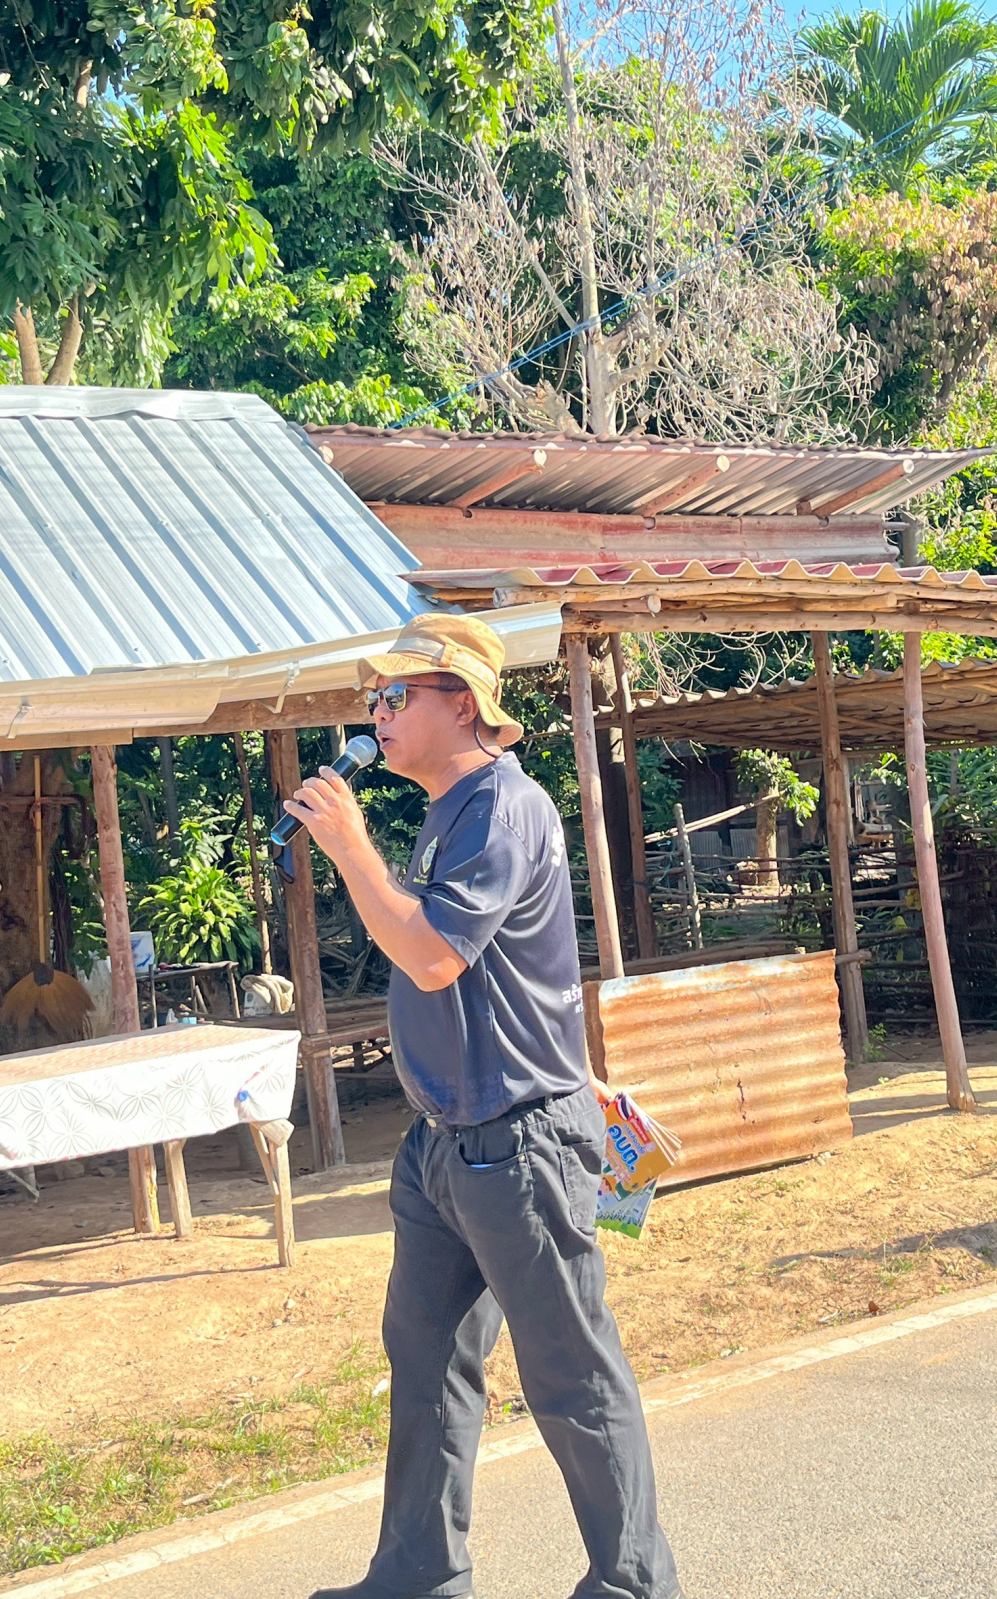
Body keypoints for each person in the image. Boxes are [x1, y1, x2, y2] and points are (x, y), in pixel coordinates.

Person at [282, 613, 681, 1599]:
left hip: (520, 1141)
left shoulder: (505, 807)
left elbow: (430, 954)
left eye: (395, 697)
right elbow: (511, 979)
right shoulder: (448, 815)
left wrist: (348, 846)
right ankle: (418, 1573)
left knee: (569, 1371)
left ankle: (636, 1584)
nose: (375, 716)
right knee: (425, 1361)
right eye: (373, 699)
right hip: (445, 1147)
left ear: (461, 704)